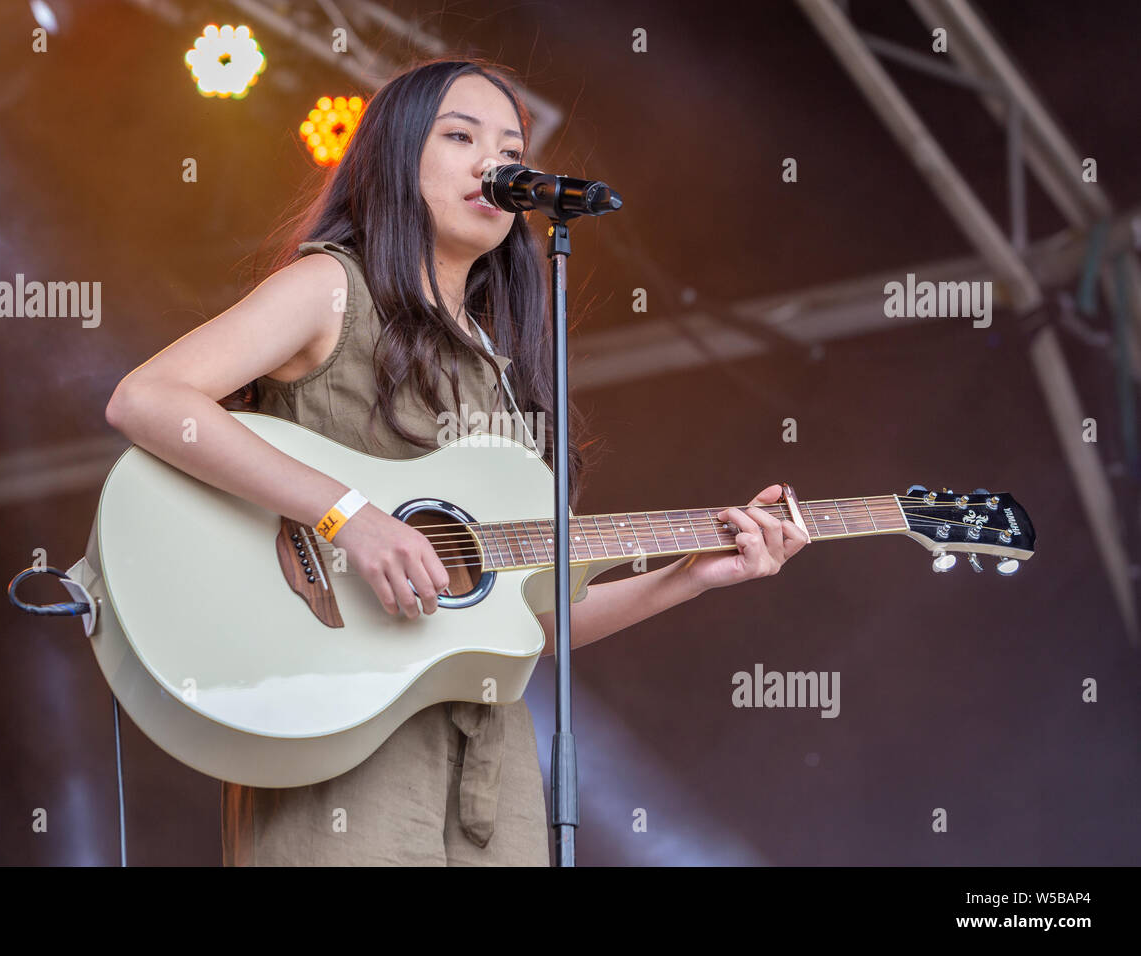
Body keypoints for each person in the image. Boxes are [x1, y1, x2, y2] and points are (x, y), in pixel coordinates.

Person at [103, 57, 809, 866]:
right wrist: (349, 516)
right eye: (460, 136)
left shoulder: (506, 372)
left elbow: (534, 627)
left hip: (488, 773)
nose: (495, 162)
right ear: (393, 159)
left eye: (511, 144)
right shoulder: (333, 288)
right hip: (337, 739)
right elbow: (149, 399)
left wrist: (690, 574)